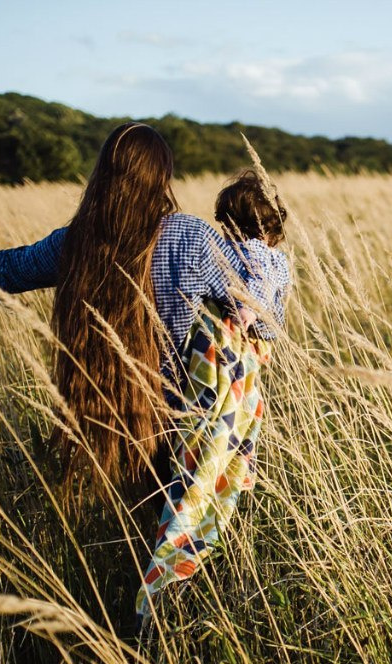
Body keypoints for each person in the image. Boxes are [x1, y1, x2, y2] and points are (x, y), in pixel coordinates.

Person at [0, 122, 280, 550]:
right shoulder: (188, 236)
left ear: (104, 174)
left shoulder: (76, 241)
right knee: (184, 541)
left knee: (137, 537)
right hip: (185, 420)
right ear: (161, 178)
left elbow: (1, 271)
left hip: (111, 412)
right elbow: (259, 310)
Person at [137, 171, 290, 612]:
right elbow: (263, 308)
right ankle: (180, 555)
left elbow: (254, 296)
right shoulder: (267, 256)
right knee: (219, 454)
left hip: (219, 363)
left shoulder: (246, 254)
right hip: (237, 366)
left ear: (230, 222)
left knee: (206, 451)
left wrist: (241, 315)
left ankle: (175, 557)